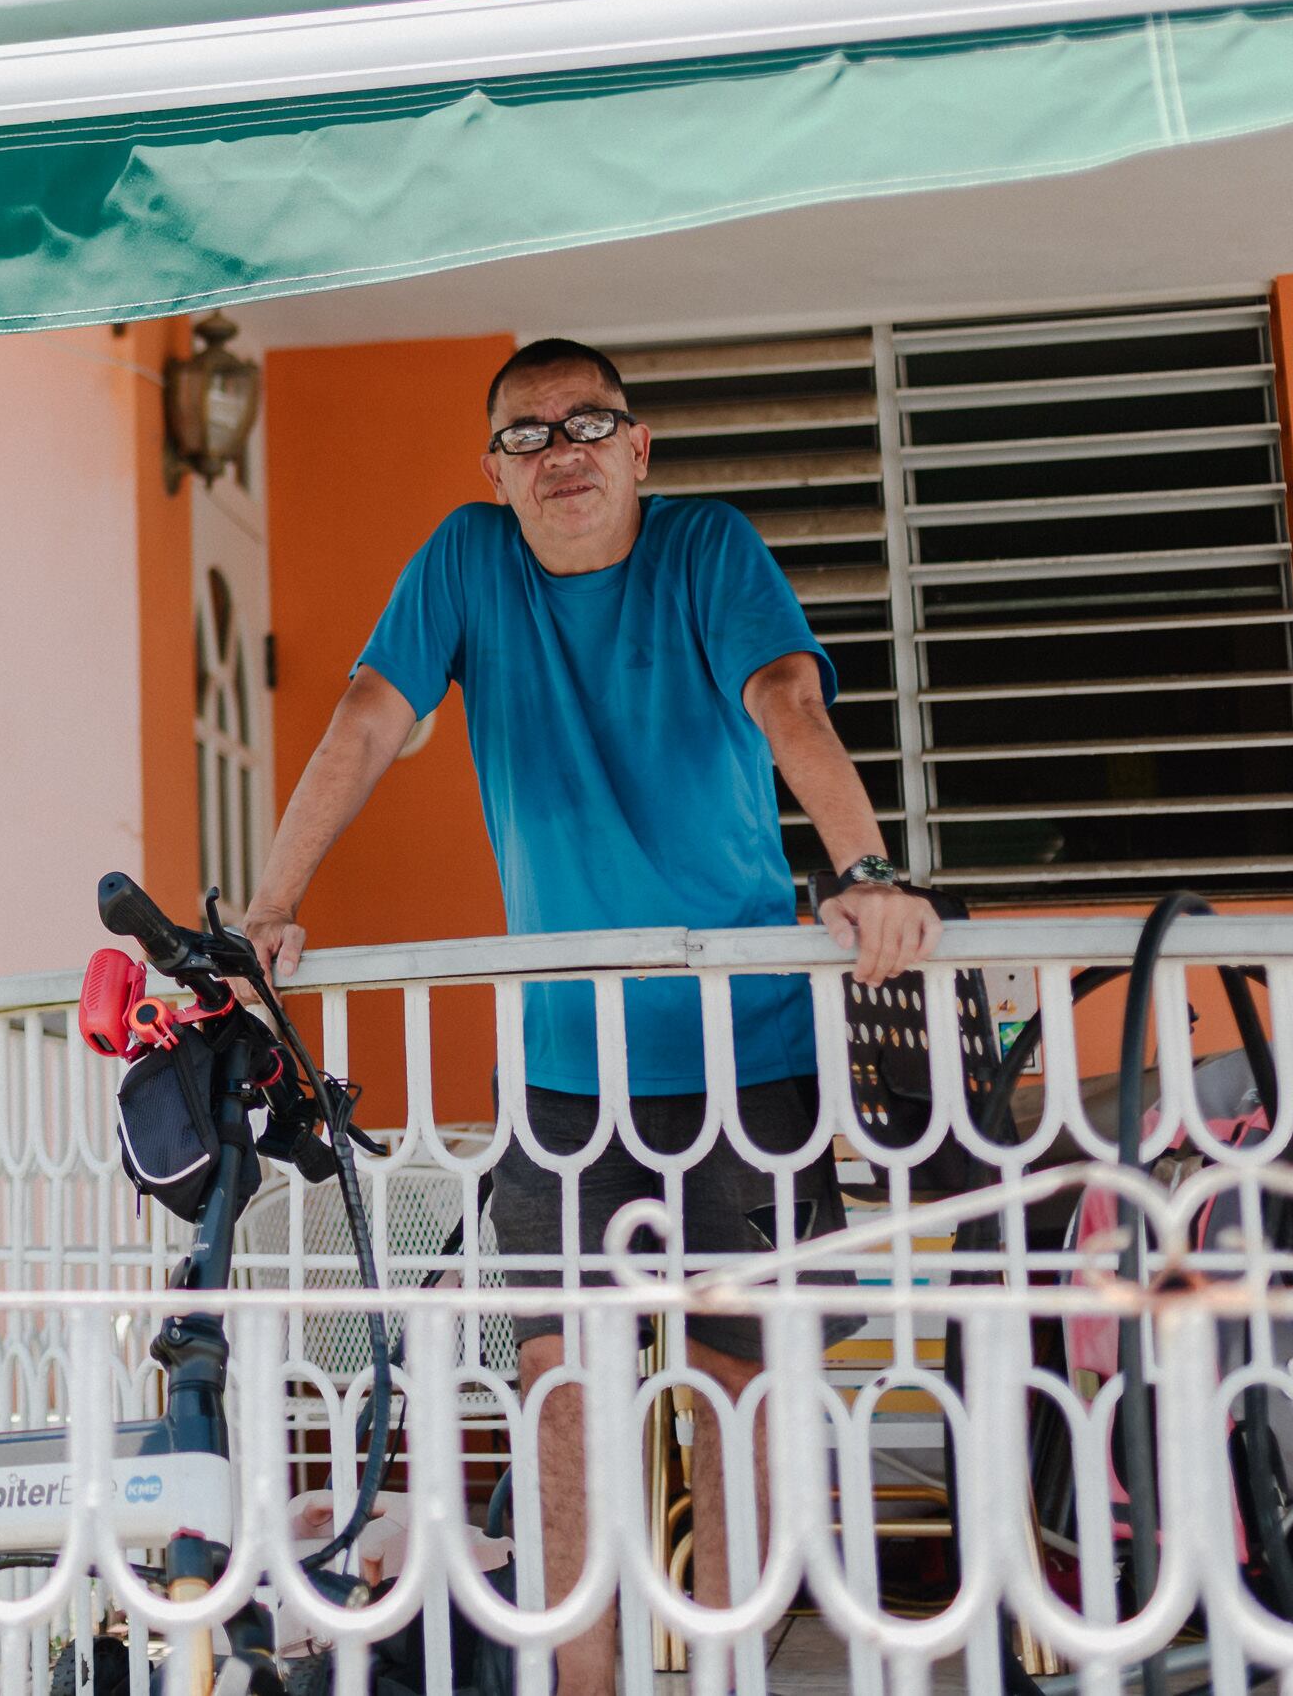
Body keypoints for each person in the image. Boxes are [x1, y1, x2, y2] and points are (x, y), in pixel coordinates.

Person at [235, 337, 936, 1695]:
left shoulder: (709, 549)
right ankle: (586, 1685)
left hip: (751, 1055)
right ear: (493, 469)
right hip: (566, 1068)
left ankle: (729, 1672)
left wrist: (862, 871)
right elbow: (368, 722)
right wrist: (272, 905)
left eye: (589, 423)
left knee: (740, 1381)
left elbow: (785, 699)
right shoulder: (466, 560)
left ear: (640, 449)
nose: (561, 449)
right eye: (528, 432)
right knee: (566, 1391)